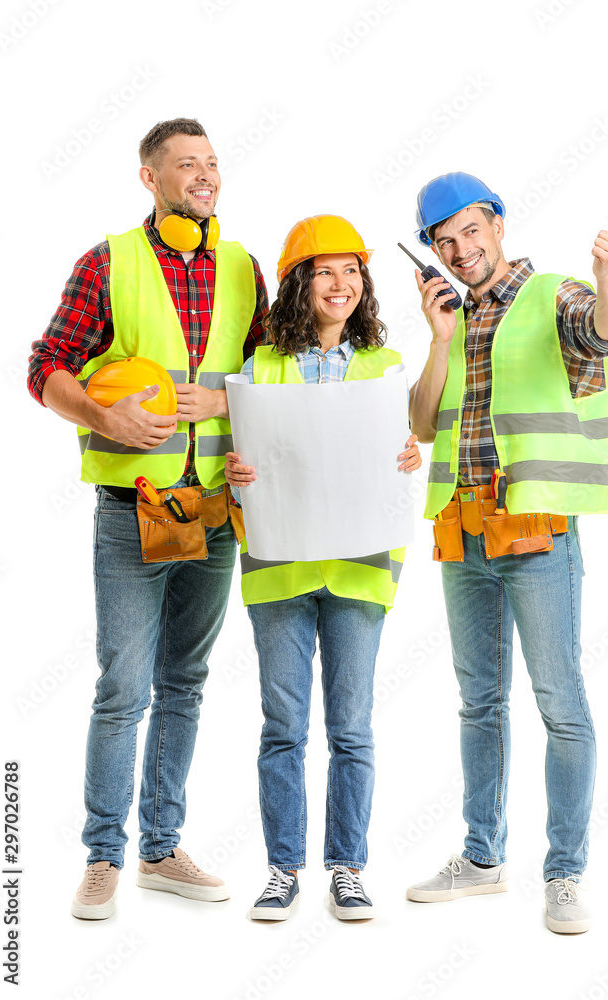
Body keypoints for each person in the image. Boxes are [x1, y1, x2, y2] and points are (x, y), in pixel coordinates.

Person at [27, 117, 269, 919]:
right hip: (136, 506)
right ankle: (103, 855)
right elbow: (46, 367)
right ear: (149, 179)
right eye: (184, 165)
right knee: (122, 687)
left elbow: (271, 379)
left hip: (212, 507)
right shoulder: (108, 261)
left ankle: (161, 850)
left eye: (210, 162)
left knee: (186, 682)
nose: (202, 175)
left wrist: (229, 395)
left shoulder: (242, 267)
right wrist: (103, 419)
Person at [405, 172, 608, 934]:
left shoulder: (553, 294)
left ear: (496, 224)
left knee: (559, 706)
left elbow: (605, 331)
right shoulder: (454, 317)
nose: (460, 250)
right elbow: (423, 420)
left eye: (470, 232)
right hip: (462, 533)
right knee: (479, 704)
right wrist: (437, 338)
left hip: (534, 535)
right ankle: (480, 858)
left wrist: (606, 276)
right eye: (444, 242)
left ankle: (563, 876)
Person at [225, 215, 421, 921]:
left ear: (363, 283)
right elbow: (243, 462)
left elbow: (404, 446)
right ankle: (283, 868)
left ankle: (346, 865)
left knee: (351, 727)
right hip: (278, 567)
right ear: (297, 284)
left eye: (351, 271)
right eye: (323, 271)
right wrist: (233, 468)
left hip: (360, 567)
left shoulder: (382, 366)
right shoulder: (261, 368)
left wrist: (408, 457)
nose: (339, 284)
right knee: (283, 726)